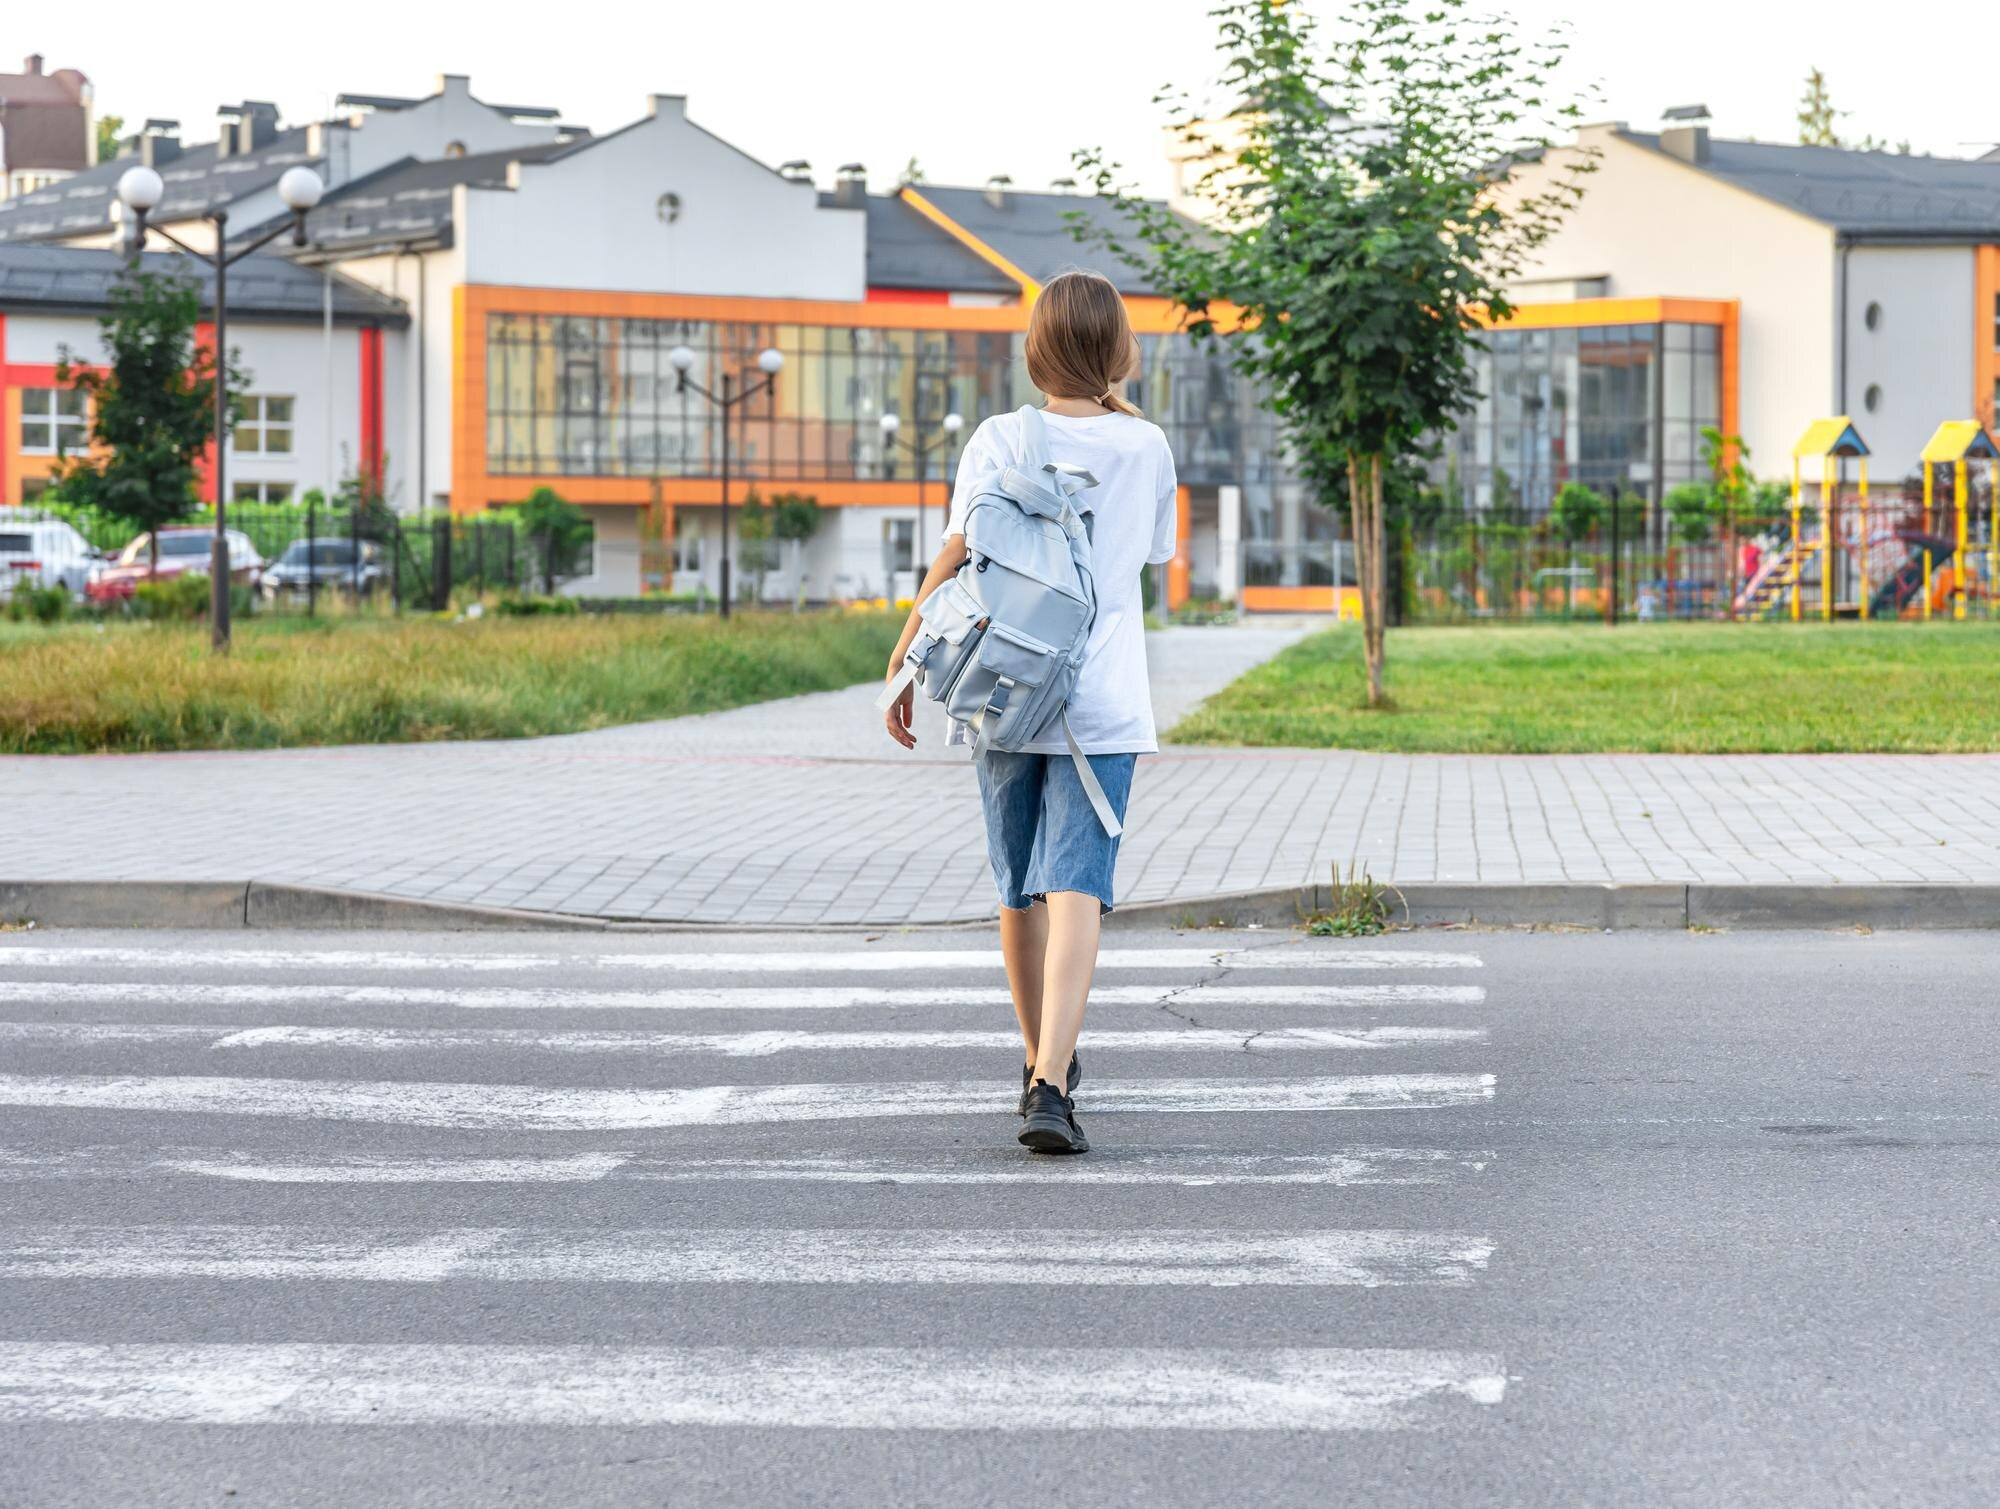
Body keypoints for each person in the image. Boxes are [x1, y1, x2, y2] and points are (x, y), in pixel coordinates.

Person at [881, 269, 1178, 1155]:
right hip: (1103, 695)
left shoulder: (999, 438)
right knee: (1079, 881)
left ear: (1035, 348)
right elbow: (1150, 557)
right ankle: (1054, 1079)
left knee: (1018, 884)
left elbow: (957, 553)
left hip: (1003, 683)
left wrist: (902, 656)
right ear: (1118, 349)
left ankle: (1037, 1060)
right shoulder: (1148, 446)